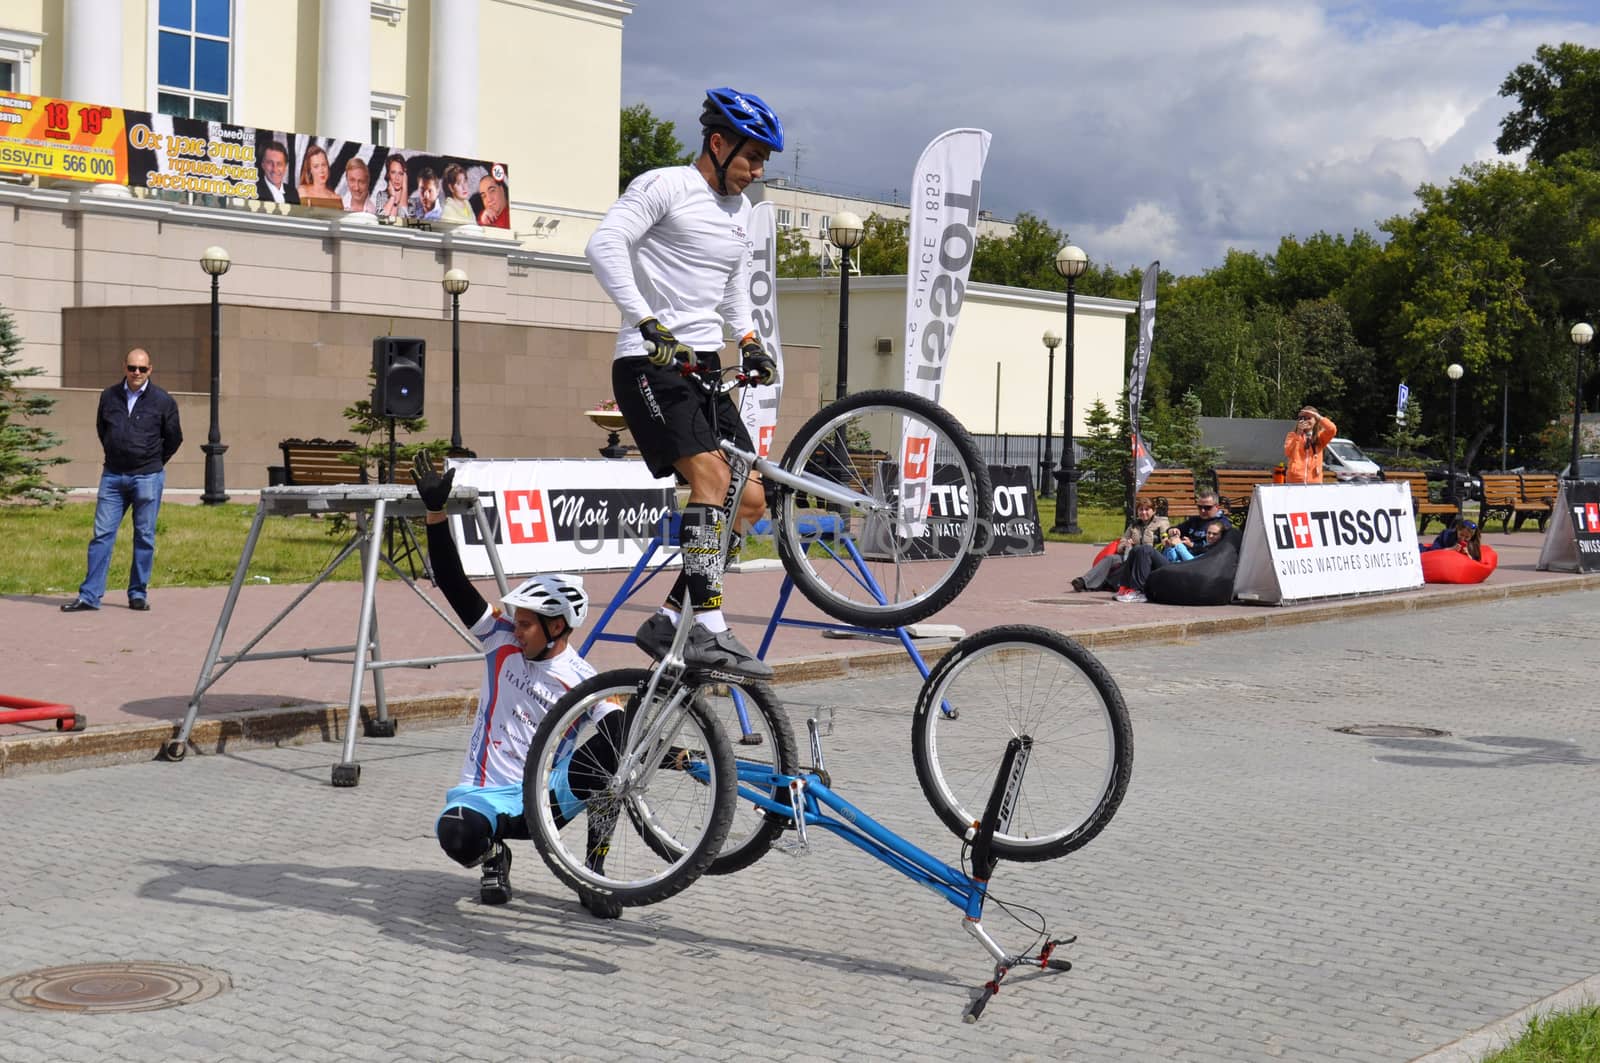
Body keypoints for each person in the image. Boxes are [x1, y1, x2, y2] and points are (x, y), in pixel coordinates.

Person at [584, 86, 784, 679]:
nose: (756, 171)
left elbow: (731, 286)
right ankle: (711, 624)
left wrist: (747, 340)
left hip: (701, 368)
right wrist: (645, 320)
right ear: (717, 144)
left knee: (748, 499)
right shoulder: (664, 185)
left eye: (764, 161)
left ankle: (672, 616)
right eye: (750, 157)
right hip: (648, 363)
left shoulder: (741, 212)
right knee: (712, 477)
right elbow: (603, 244)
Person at [413, 455, 622, 919]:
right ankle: (493, 858)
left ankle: (594, 871)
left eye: (527, 623)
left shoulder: (583, 679)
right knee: (455, 835)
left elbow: (619, 730)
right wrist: (435, 514)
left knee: (617, 746)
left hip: (547, 796)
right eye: (518, 620)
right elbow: (451, 581)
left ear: (558, 629)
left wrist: (673, 756)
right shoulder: (499, 642)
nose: (516, 627)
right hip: (485, 793)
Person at [61, 348, 183, 613]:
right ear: (124, 368)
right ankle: (90, 596)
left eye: (141, 369)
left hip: (147, 477)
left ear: (150, 369)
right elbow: (102, 429)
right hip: (113, 476)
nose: (136, 373)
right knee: (102, 535)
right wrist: (116, 451)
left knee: (145, 537)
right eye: (131, 368)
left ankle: (138, 593)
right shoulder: (109, 395)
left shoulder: (163, 400)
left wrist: (154, 461)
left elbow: (174, 437)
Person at [1116, 520, 1228, 603]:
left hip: (1183, 573)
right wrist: (1169, 547)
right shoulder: (1203, 544)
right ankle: (1124, 588)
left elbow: (1194, 563)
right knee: (1137, 549)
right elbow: (1173, 558)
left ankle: (1139, 591)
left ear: (1221, 536)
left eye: (1215, 534)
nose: (1210, 536)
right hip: (1174, 568)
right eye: (1208, 533)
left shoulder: (1216, 550)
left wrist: (1179, 545)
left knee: (1146, 549)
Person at [1071, 497, 1168, 592]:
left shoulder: (1161, 523)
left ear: (1154, 511)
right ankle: (1083, 582)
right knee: (1110, 558)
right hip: (1130, 554)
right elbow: (1122, 542)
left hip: (1148, 557)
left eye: (1147, 509)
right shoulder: (1133, 525)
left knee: (1128, 563)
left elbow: (1166, 539)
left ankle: (1106, 583)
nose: (1143, 512)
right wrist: (1125, 545)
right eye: (1141, 510)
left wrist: (1164, 541)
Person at [1284, 405, 1337, 484]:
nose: (1305, 421)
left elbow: (1332, 429)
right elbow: (1288, 452)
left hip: (1314, 481)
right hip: (1294, 480)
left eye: (1309, 418)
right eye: (1302, 418)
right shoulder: (1292, 435)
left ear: (1315, 421)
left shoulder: (1320, 437)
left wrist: (1318, 416)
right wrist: (1298, 434)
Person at [255, 140, 299, 205]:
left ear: (285, 167)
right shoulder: (254, 191)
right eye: (270, 163)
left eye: (279, 164)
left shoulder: (293, 193)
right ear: (263, 164)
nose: (275, 169)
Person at [377, 155, 410, 221]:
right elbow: (381, 220)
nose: (397, 178)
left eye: (400, 173)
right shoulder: (381, 195)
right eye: (393, 172)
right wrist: (392, 198)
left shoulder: (411, 202)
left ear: (405, 176)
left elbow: (403, 222)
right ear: (388, 174)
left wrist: (405, 187)